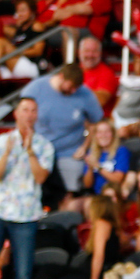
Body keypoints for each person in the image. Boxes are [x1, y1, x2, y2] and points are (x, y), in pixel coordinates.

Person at [21, 63, 101, 204]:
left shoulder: (85, 94)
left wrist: (84, 146)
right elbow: (22, 113)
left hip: (69, 152)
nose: (73, 91)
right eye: (70, 87)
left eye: (76, 88)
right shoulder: (36, 88)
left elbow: (96, 123)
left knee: (68, 193)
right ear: (61, 77)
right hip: (40, 150)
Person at [0, 96, 53, 279]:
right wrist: (5, 154)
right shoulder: (2, 141)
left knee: (23, 273)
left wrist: (29, 151)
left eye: (33, 110)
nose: (29, 114)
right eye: (25, 110)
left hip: (26, 215)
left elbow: (41, 177)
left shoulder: (44, 145)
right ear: (16, 113)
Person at [83, 119, 129, 197]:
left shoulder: (121, 151)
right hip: (96, 195)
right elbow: (87, 185)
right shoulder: (92, 152)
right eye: (100, 132)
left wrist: (98, 166)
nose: (103, 135)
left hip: (114, 195)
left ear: (113, 134)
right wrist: (90, 169)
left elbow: (117, 180)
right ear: (95, 135)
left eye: (107, 131)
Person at [78, 34, 118, 118]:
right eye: (87, 51)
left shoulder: (106, 73)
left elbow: (100, 101)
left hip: (97, 121)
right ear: (79, 52)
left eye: (94, 51)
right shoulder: (74, 70)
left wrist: (71, 92)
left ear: (100, 53)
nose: (90, 55)